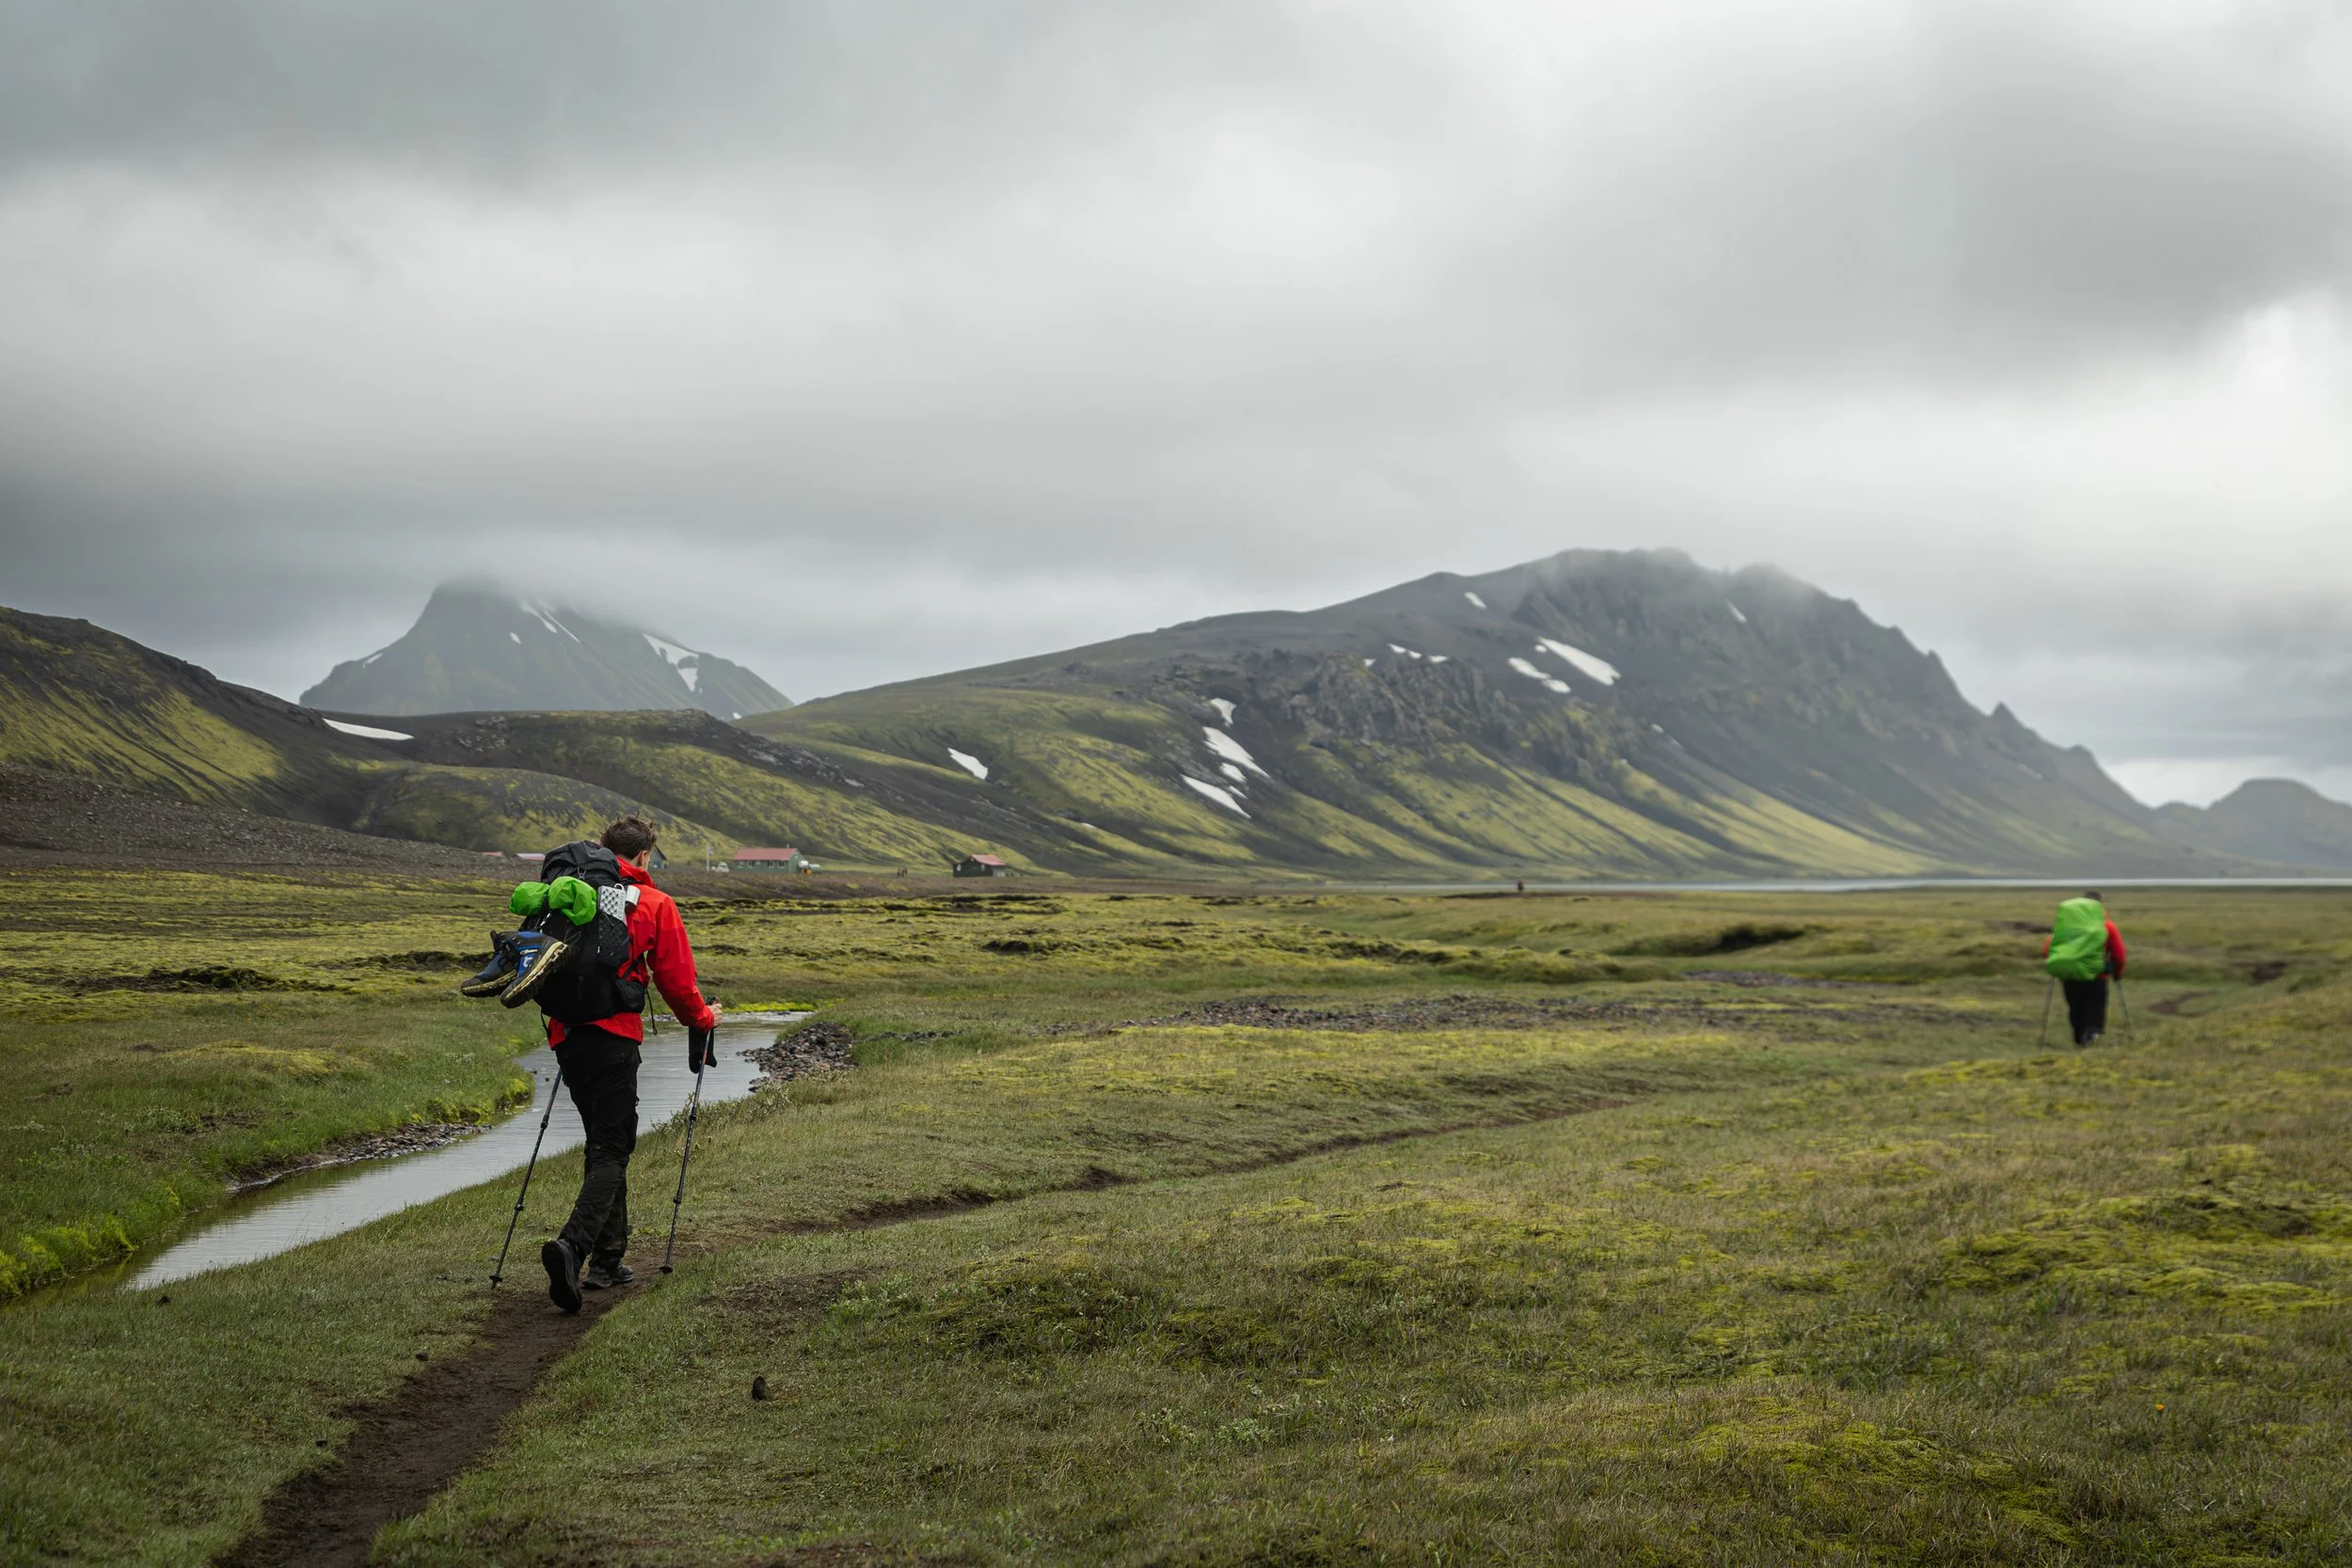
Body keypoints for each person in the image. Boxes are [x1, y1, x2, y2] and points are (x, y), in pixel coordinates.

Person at [540, 816, 718, 1313]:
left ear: (602, 849)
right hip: (615, 1037)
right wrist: (706, 1017)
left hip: (565, 1034)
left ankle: (607, 1260)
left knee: (603, 1142)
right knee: (613, 1149)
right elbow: (678, 986)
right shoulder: (653, 903)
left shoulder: (570, 893)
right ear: (644, 857)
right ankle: (573, 1247)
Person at [2043, 891, 2126, 1046]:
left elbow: (2048, 949)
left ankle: (2079, 1041)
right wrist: (2118, 972)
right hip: (2097, 976)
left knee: (2076, 1008)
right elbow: (2119, 953)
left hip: (2070, 975)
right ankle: (2092, 1037)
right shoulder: (2106, 925)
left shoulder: (2067, 926)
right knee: (2095, 1009)